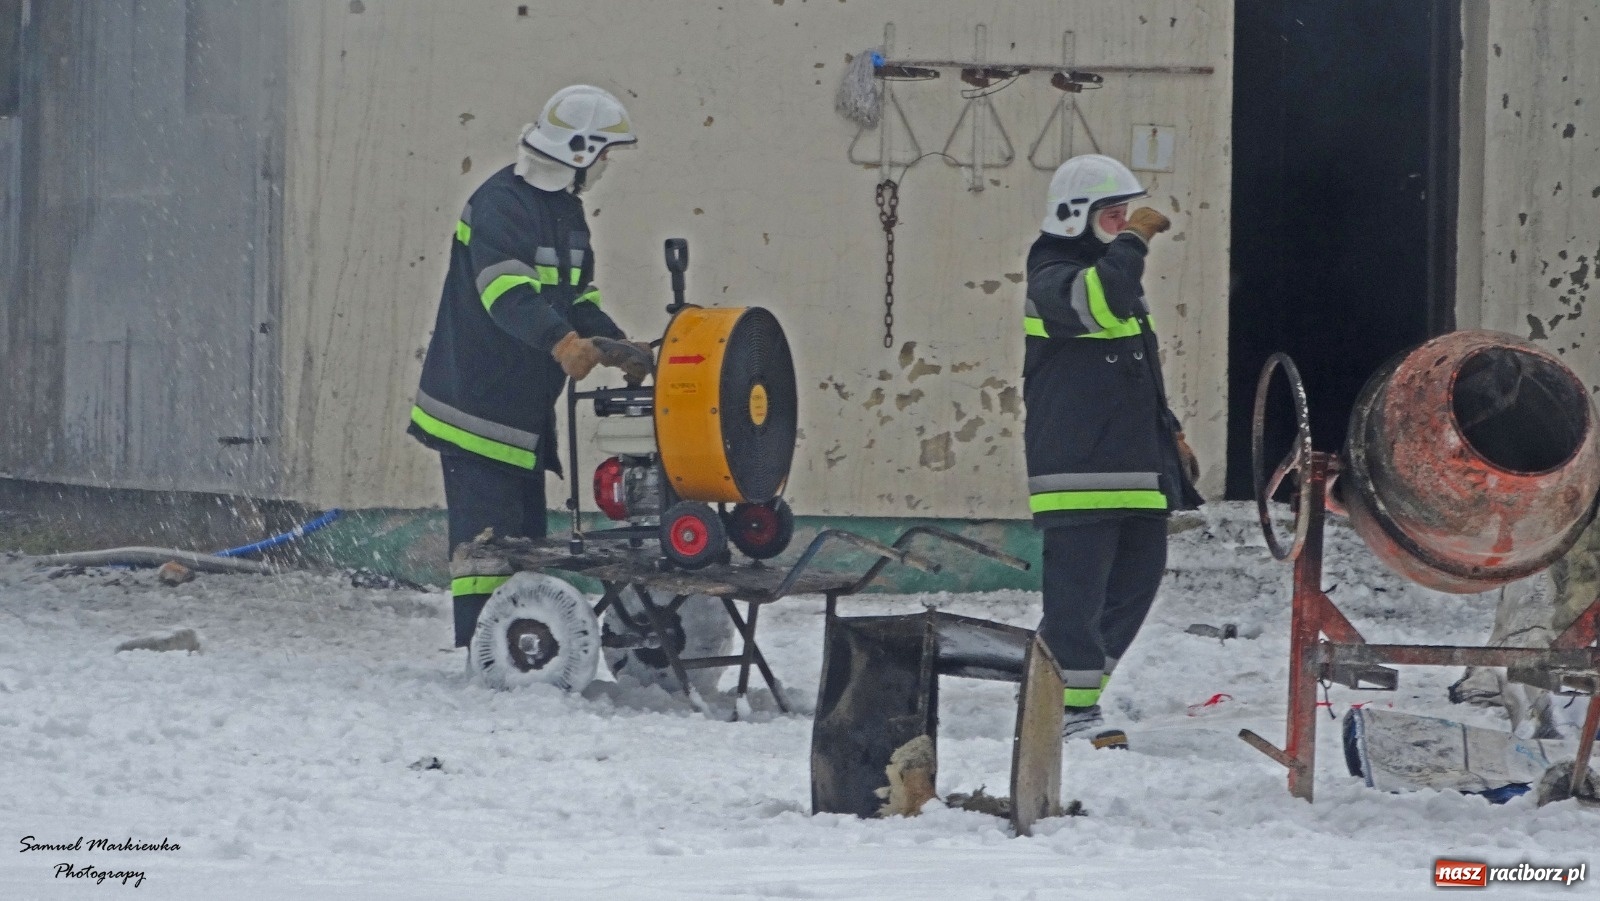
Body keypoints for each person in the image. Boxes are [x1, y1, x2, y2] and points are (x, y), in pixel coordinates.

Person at [408, 84, 654, 650]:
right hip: (474, 407)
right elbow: (507, 293)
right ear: (579, 150)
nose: (606, 165)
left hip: (518, 413)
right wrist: (562, 341)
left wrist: (618, 345)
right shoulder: (499, 204)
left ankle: (520, 644)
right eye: (604, 153)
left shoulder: (563, 210)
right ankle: (483, 651)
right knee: (485, 546)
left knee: (523, 541)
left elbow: (574, 298)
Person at [1021, 153, 1203, 741]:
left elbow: (1140, 369)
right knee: (1076, 601)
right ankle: (1067, 712)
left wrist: (1170, 433)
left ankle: (1075, 695)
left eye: (1128, 214)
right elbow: (1101, 304)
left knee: (1136, 585)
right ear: (1077, 216)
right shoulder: (1052, 276)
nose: (1125, 224)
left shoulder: (1112, 277)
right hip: (1078, 470)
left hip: (1135, 466)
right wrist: (1134, 242)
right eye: (1114, 215)